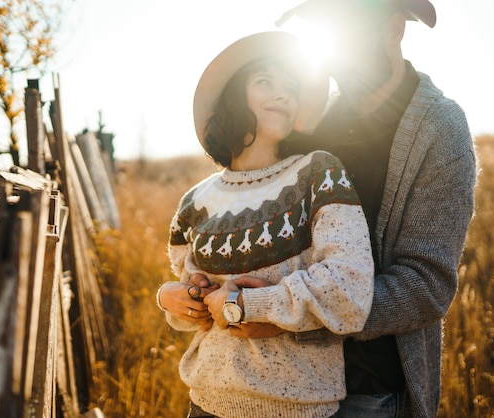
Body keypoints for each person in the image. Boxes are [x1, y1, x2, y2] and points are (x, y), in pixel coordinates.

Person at [267, 0, 478, 417]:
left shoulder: (440, 128)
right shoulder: (312, 120)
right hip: (280, 381)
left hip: (368, 394)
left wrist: (293, 314)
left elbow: (425, 284)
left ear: (395, 30)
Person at [156, 31, 375, 418]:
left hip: (295, 408)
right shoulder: (196, 201)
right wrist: (173, 299)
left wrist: (250, 305)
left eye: (290, 87)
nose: (284, 95)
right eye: (265, 82)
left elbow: (349, 288)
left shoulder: (318, 173)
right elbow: (196, 307)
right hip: (205, 403)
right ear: (234, 97)